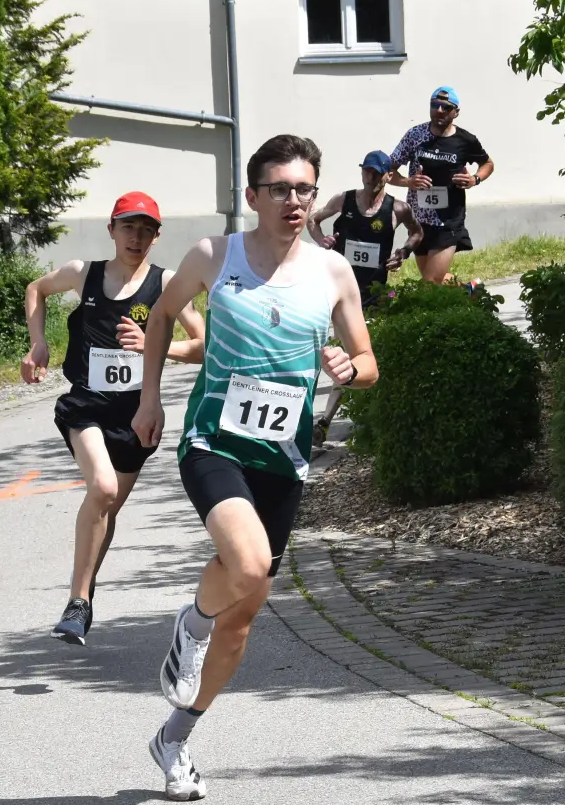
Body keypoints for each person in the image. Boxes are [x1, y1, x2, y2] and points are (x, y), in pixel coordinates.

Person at [132, 135, 379, 801]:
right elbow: (159, 317)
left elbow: (369, 363)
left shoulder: (332, 272)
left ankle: (175, 737)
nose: (295, 201)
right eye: (280, 189)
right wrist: (150, 397)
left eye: (305, 188)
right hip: (214, 443)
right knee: (243, 565)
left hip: (284, 460)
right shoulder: (216, 256)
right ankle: (189, 625)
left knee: (244, 614)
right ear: (253, 197)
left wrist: (347, 368)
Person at [21, 192, 206, 647]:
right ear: (111, 230)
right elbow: (35, 290)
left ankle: (83, 596)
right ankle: (78, 601)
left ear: (156, 236)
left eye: (146, 230)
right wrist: (38, 343)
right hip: (85, 407)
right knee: (102, 489)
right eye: (128, 227)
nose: (136, 237)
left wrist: (153, 345)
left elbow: (203, 346)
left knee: (108, 507)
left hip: (136, 416)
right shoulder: (83, 274)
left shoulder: (165, 286)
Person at [305, 150, 423, 446]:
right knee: (326, 351)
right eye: (365, 171)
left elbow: (417, 233)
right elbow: (313, 220)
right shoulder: (343, 200)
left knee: (353, 354)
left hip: (371, 294)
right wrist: (323, 242)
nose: (368, 177)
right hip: (335, 289)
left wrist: (403, 253)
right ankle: (317, 416)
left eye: (374, 173)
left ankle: (325, 421)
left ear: (386, 176)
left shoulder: (397, 208)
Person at [386, 86, 496, 283]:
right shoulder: (415, 135)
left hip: (448, 220)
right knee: (435, 278)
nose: (439, 110)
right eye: (434, 105)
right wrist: (408, 182)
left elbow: (487, 164)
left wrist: (474, 179)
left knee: (430, 281)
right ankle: (471, 290)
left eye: (445, 107)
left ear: (456, 112)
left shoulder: (465, 140)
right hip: (419, 220)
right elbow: (388, 170)